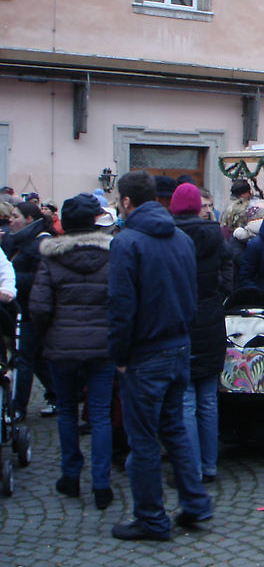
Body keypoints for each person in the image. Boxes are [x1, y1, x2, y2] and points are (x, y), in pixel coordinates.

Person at [107, 170, 212, 541]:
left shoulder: (127, 242)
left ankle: (151, 518)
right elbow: (191, 293)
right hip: (179, 344)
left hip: (147, 352)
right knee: (174, 429)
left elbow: (121, 306)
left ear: (126, 202)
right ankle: (195, 502)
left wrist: (119, 354)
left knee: (145, 439)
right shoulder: (181, 238)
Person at [30, 193, 115, 509]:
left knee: (66, 409)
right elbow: (121, 300)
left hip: (62, 346)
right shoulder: (111, 255)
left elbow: (39, 308)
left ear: (63, 223)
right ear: (95, 221)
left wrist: (46, 336)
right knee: (101, 414)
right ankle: (102, 484)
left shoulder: (51, 258)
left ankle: (71, 475)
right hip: (102, 346)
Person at [171, 183, 232, 484]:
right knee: (208, 399)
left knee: (185, 400)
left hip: (180, 318)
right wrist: (218, 292)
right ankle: (209, 465)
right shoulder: (214, 234)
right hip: (210, 317)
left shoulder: (170, 234)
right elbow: (228, 266)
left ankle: (191, 468)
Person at [3, 200, 56, 420]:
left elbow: (43, 278)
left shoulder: (41, 242)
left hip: (34, 308)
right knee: (35, 358)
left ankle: (17, 408)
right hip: (21, 306)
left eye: (15, 217)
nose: (11, 220)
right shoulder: (18, 242)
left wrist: (13, 282)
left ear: (29, 220)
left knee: (24, 357)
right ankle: (57, 396)